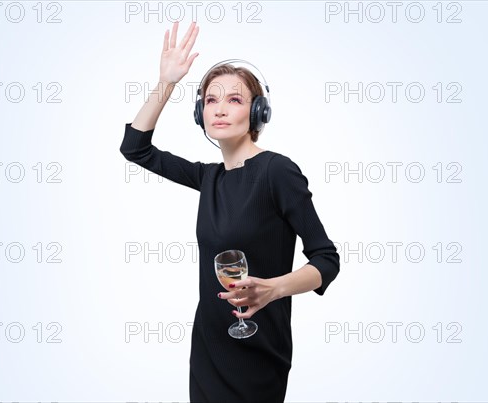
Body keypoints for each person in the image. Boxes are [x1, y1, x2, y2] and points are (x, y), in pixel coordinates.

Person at [120, 21, 340, 403]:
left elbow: (327, 259)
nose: (219, 109)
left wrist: (273, 289)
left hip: (258, 348)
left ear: (257, 112)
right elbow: (135, 147)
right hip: (209, 345)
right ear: (199, 112)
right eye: (210, 100)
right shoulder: (209, 178)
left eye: (235, 100)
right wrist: (167, 81)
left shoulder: (277, 171)